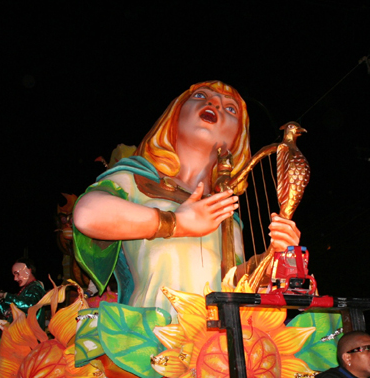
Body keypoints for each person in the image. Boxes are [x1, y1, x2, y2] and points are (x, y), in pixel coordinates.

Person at [72, 81, 300, 319]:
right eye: (201, 96)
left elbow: (233, 283)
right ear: (174, 115)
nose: (214, 104)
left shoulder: (226, 214)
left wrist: (271, 259)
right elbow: (86, 214)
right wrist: (178, 223)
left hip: (214, 345)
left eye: (230, 108)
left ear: (238, 138)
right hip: (153, 339)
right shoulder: (139, 180)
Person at [0, 258, 47, 326]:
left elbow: (29, 305)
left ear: (28, 271)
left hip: (29, 334)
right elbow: (10, 313)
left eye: (17, 274)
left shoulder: (35, 287)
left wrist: (5, 295)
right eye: (14, 275)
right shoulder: (27, 290)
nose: (15, 278)